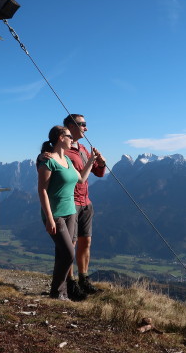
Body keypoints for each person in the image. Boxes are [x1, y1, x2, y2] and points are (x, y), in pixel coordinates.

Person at [37, 125, 96, 300]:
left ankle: (61, 292)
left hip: (71, 213)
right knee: (69, 253)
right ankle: (56, 292)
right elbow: (42, 191)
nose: (72, 139)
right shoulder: (48, 161)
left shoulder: (67, 161)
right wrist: (49, 218)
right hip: (55, 214)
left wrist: (92, 160)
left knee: (63, 253)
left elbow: (81, 179)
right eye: (69, 136)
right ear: (61, 138)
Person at [62, 114, 106, 297]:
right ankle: (70, 283)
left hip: (85, 202)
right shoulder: (62, 151)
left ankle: (83, 278)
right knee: (71, 243)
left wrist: (101, 161)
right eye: (83, 124)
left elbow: (98, 173)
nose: (86, 128)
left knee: (85, 241)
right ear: (71, 126)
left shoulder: (82, 149)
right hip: (71, 201)